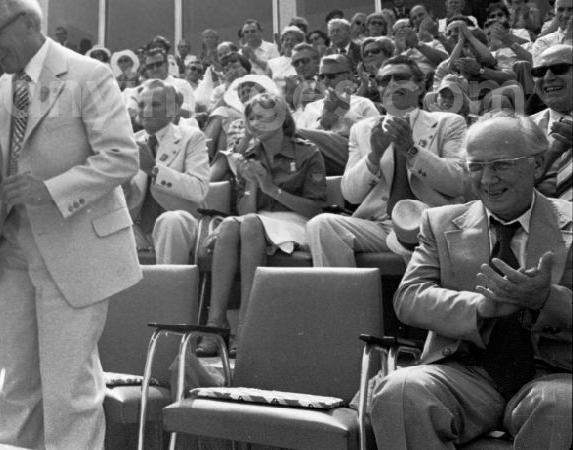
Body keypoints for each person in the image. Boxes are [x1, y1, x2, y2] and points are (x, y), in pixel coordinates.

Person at [0, 0, 141, 448]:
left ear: (27, 24)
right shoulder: (0, 91)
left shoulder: (90, 74)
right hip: (15, 251)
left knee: (69, 388)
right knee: (13, 386)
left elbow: (122, 157)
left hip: (76, 249)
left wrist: (51, 190)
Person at [369, 113, 571, 450]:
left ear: (537, 165)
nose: (487, 179)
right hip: (467, 372)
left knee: (561, 405)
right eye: (476, 166)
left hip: (551, 373)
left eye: (501, 165)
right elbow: (410, 297)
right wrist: (481, 306)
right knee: (401, 391)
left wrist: (545, 300)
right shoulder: (440, 222)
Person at [305, 57, 468, 267]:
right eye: (384, 80)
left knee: (418, 230)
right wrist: (374, 156)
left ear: (420, 87)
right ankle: (343, 299)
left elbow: (457, 183)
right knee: (322, 225)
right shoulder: (362, 129)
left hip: (429, 224)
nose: (391, 84)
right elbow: (350, 194)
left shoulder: (449, 123)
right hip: (380, 225)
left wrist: (412, 151)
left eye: (400, 78)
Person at [199, 93, 326, 350]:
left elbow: (315, 210)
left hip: (297, 222)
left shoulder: (307, 152)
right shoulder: (248, 154)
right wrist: (254, 186)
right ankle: (215, 324)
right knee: (232, 224)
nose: (256, 123)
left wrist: (272, 189)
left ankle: (247, 324)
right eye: (252, 117)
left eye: (263, 116)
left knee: (249, 224)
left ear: (281, 119)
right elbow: (246, 209)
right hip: (258, 222)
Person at [124, 80, 210, 264]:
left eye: (155, 104)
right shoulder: (130, 143)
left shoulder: (192, 137)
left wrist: (153, 169)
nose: (146, 111)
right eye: (141, 105)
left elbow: (198, 189)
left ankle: (170, 291)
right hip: (139, 227)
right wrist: (121, 184)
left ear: (173, 108)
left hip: (180, 222)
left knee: (170, 221)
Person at [530, 44, 572, 200]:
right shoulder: (522, 129)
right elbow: (506, 187)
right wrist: (553, 152)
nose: (547, 77)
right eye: (539, 72)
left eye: (559, 68)